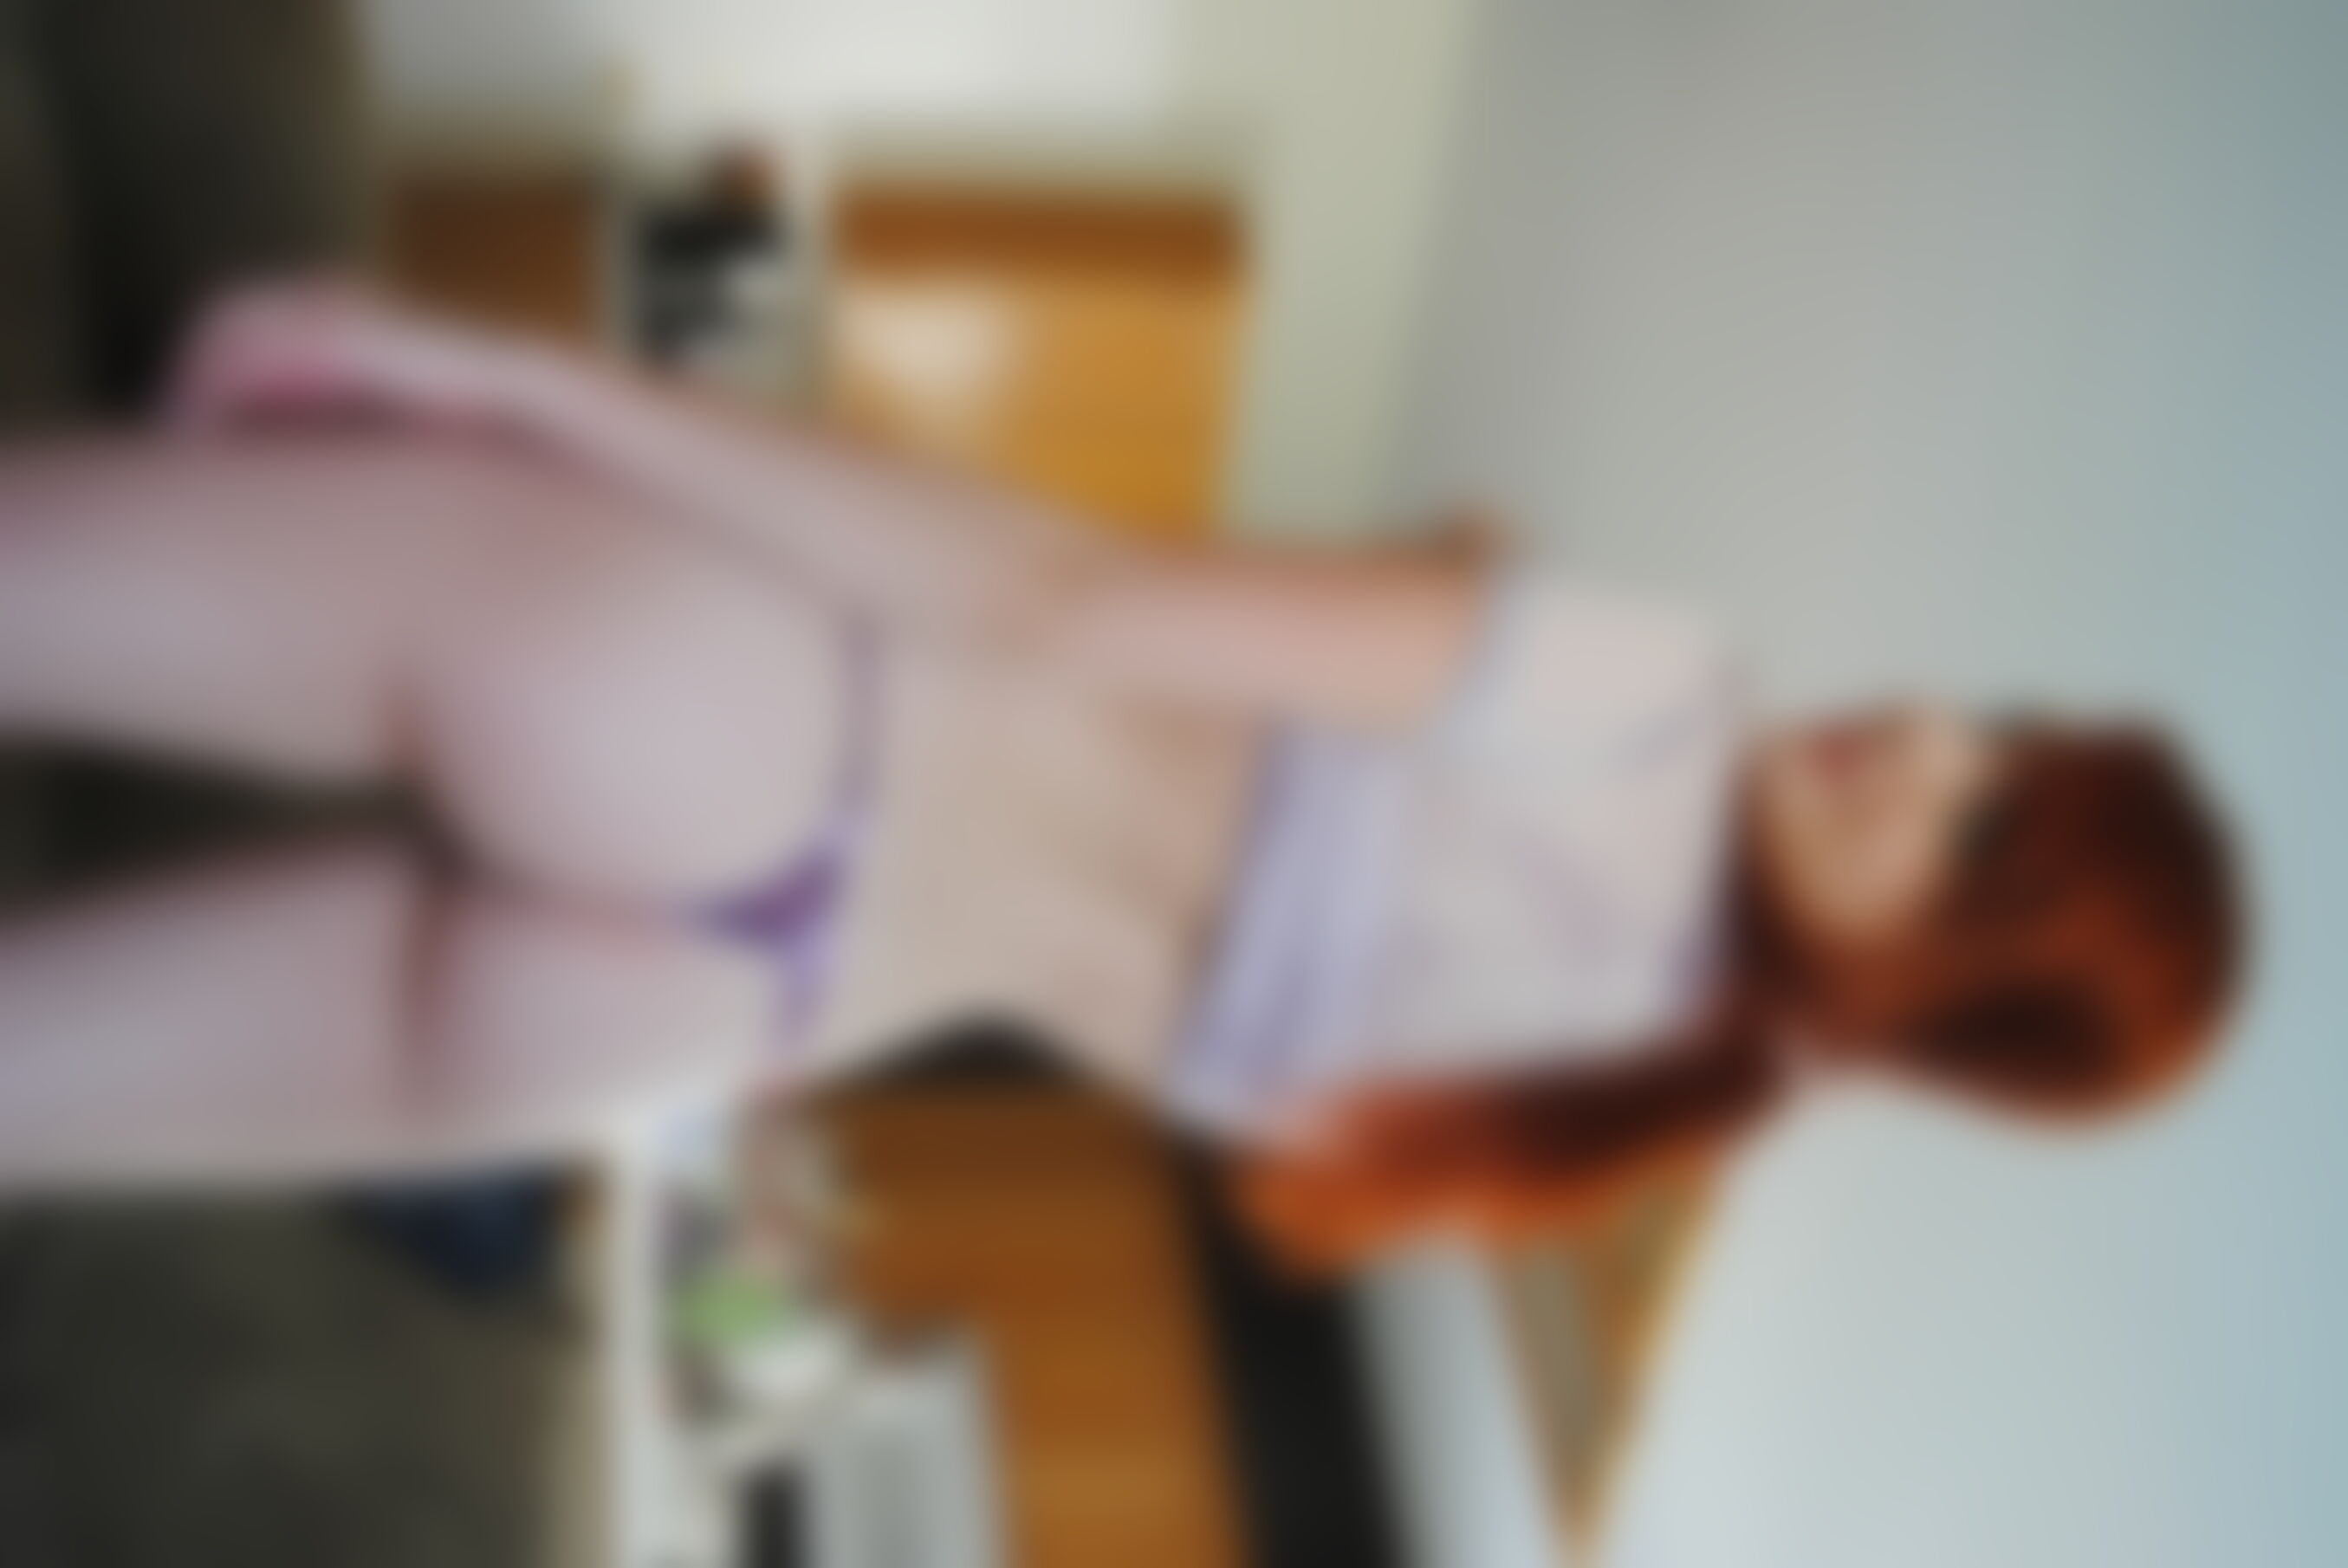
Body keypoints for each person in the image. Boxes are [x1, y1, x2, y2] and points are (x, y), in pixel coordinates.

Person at [0, 284, 2242, 1270]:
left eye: (1980, 828)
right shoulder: (1586, 1125)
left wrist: (510, 373)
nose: (1930, 736)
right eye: (2001, 726)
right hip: (721, 1014)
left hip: (751, 703)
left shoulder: (1658, 691)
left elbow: (1055, 596)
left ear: (1938, 990)